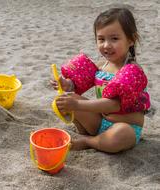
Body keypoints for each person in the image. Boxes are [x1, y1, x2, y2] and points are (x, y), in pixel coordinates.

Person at [50, 8, 150, 153]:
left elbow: (115, 105)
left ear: (131, 40)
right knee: (67, 98)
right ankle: (91, 135)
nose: (106, 45)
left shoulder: (132, 71)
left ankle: (89, 141)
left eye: (114, 39)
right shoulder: (101, 66)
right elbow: (77, 85)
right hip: (99, 122)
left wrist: (78, 104)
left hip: (124, 127)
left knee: (121, 133)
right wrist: (66, 85)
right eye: (101, 39)